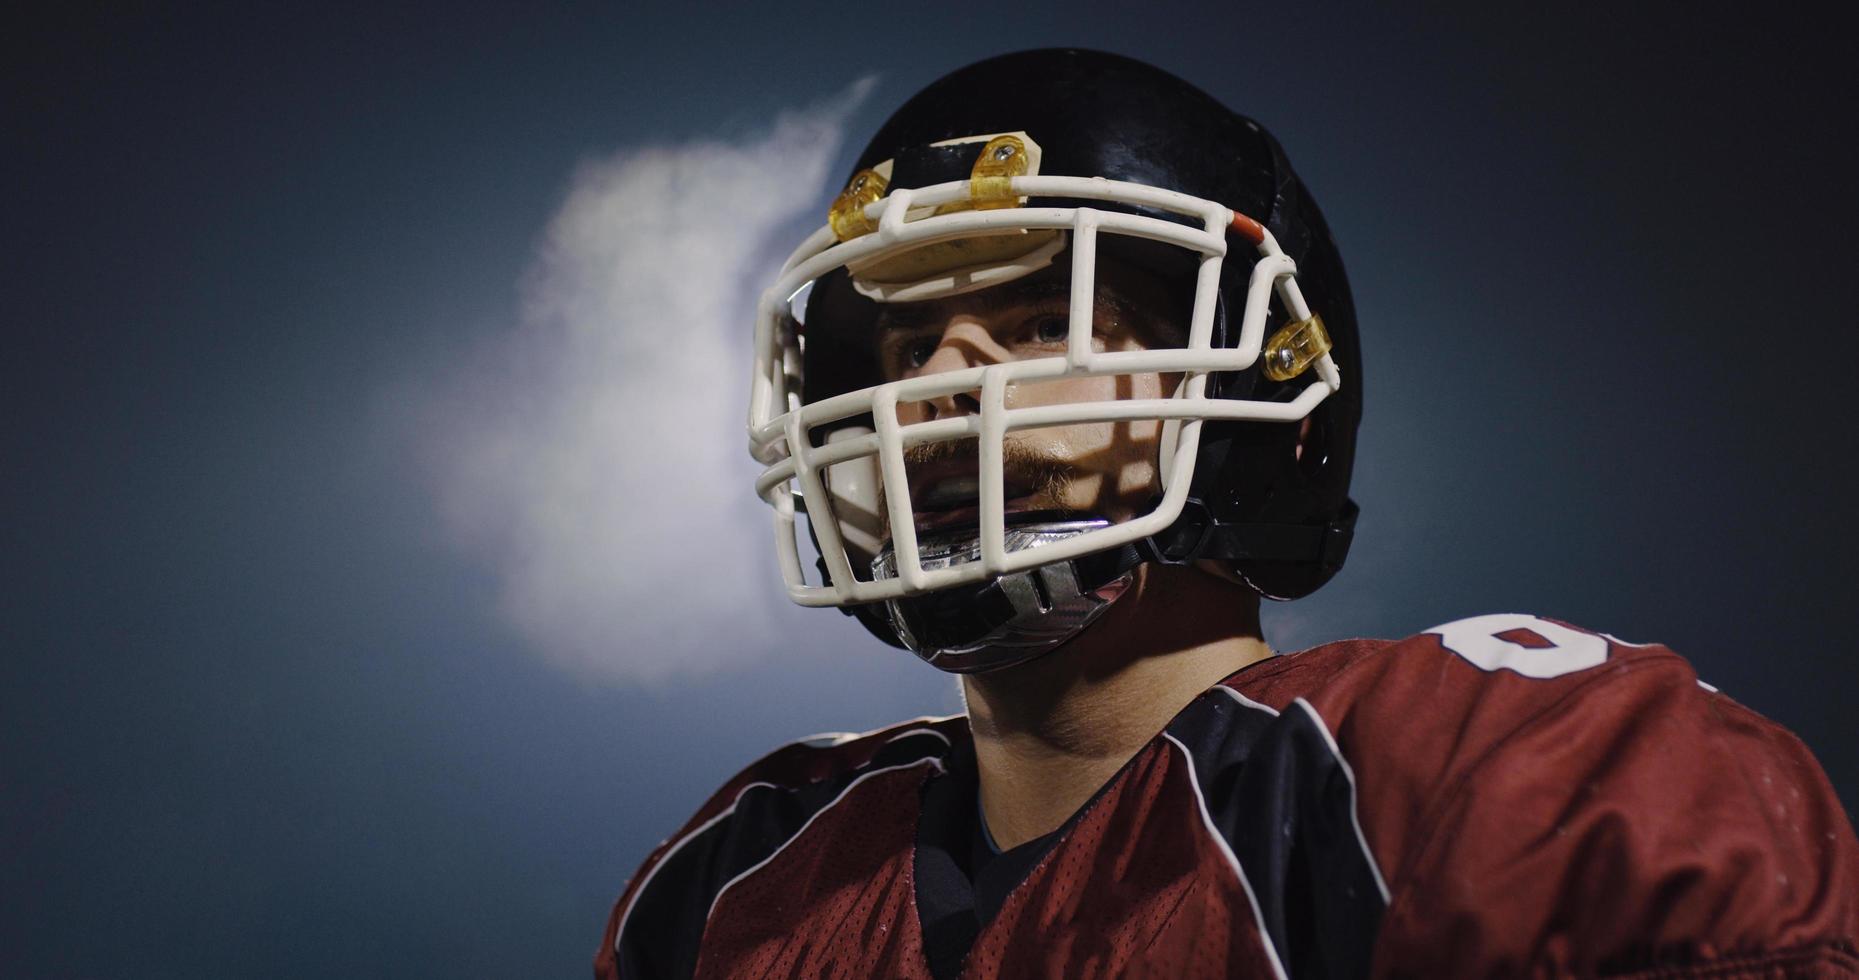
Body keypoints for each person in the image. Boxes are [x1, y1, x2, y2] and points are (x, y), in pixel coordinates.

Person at [596, 49, 1859, 978]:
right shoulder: (741, 871)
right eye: (904, 347)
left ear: (1260, 381)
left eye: (1040, 324)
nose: (934, 388)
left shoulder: (1480, 769)